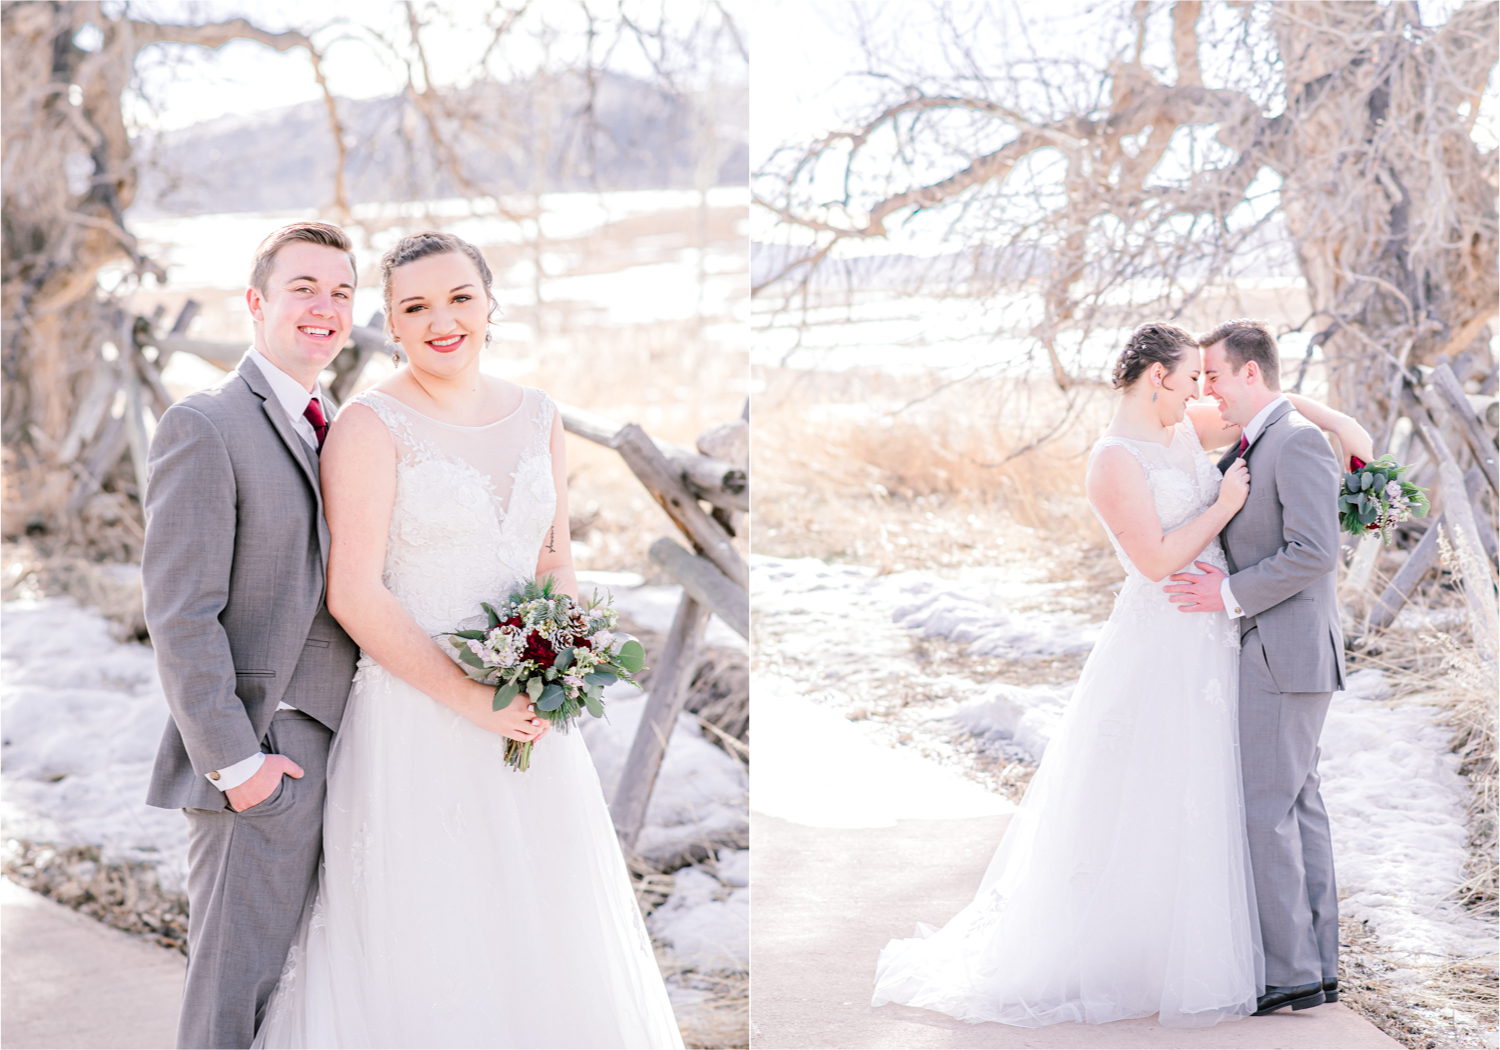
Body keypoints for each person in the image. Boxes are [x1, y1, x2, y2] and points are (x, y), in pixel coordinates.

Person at [251, 232, 684, 1049]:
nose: (442, 320)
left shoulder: (540, 416)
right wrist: (476, 699)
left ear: (490, 304)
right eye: (415, 307)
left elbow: (553, 560)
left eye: (459, 298)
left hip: (529, 722)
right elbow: (355, 593)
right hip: (419, 722)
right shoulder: (369, 427)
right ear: (392, 323)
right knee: (436, 931)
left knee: (542, 926)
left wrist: (556, 663)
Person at [870, 321, 1370, 1028]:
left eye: (1210, 377)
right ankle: (1159, 955)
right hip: (1166, 635)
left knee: (1235, 797)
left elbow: (1267, 408)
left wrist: (1343, 429)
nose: (1204, 392)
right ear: (1157, 378)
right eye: (1193, 377)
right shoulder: (1112, 460)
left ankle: (1277, 963)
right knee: (1164, 793)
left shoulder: (1183, 425)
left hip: (1224, 638)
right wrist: (1225, 506)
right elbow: (1156, 561)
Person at [143, 221, 363, 1049]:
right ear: (256, 303)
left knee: (308, 997)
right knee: (233, 1005)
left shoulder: (335, 422)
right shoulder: (206, 425)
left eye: (341, 292)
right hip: (266, 761)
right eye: (304, 287)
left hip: (347, 749)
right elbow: (180, 615)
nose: (326, 308)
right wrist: (241, 769)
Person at [1164, 318, 1361, 1016]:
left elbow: (1314, 551)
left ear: (1252, 373)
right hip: (1284, 651)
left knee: (1266, 811)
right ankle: (1313, 966)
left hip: (1285, 650)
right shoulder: (1264, 438)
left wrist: (1225, 595)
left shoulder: (1297, 441)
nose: (1208, 389)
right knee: (1297, 808)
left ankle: (1290, 973)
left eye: (1214, 375)